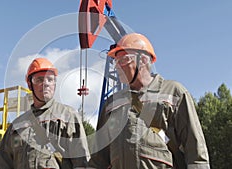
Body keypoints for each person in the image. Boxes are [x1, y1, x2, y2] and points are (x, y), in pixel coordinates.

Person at [89, 33, 210, 169]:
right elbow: (98, 158)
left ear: (144, 60)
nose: (117, 66)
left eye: (123, 60)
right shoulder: (112, 103)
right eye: (116, 61)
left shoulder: (173, 92)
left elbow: (195, 149)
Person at [0, 58, 90, 169]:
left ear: (55, 83)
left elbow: (82, 163)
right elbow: (3, 164)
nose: (45, 84)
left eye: (50, 79)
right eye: (39, 80)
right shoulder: (16, 127)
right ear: (30, 85)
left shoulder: (68, 116)